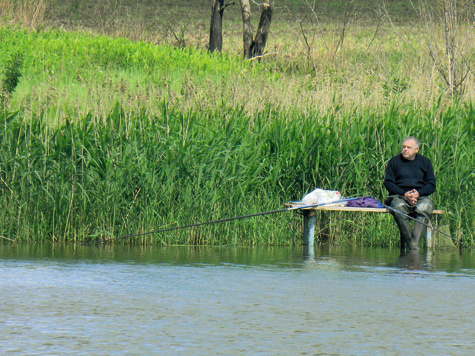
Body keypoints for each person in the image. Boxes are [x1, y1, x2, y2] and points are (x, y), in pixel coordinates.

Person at [384, 136, 436, 250]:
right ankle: (414, 247)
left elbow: (431, 184)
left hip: (420, 196)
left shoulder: (425, 162)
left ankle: (413, 245)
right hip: (399, 196)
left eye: (408, 147)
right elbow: (388, 183)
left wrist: (418, 194)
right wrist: (404, 194)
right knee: (399, 207)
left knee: (425, 207)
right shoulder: (394, 161)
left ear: (416, 150)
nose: (405, 149)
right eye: (404, 147)